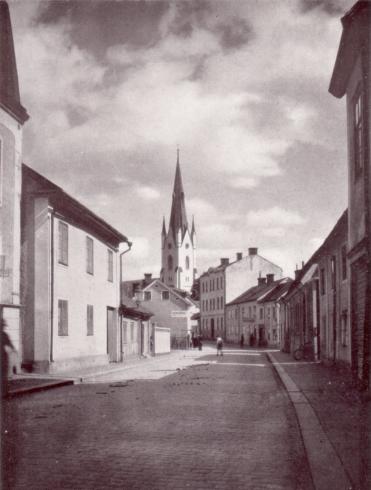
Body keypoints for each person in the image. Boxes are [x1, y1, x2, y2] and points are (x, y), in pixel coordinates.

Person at [1, 319, 15, 398]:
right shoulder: (4, 335)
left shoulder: (4, 335)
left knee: (4, 375)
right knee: (3, 376)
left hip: (3, 357)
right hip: (3, 357)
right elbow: (10, 344)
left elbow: (10, 344)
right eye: (3, 325)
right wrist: (13, 350)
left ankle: (5, 392)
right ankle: (5, 393)